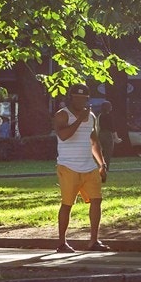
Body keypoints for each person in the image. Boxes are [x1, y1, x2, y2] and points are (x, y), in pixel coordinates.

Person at [53, 82, 108, 253]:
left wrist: (102, 163)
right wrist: (79, 119)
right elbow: (63, 136)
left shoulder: (91, 116)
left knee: (97, 200)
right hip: (68, 166)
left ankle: (94, 241)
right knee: (67, 204)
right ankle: (62, 243)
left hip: (89, 166)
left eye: (84, 99)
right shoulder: (62, 115)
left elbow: (94, 141)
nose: (81, 102)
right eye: (77, 98)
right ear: (71, 98)